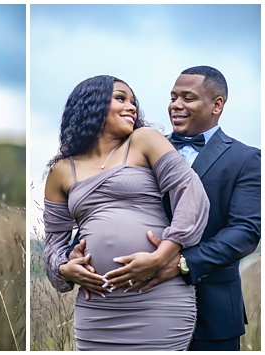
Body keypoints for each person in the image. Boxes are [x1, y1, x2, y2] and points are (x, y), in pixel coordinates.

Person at [83, 66, 260, 351]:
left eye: (188, 98)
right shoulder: (142, 148)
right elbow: (99, 208)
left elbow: (245, 232)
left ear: (217, 104)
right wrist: (71, 256)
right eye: (173, 97)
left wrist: (180, 263)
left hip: (213, 313)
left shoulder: (246, 158)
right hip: (137, 304)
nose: (176, 105)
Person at [41, 75, 210, 350]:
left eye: (133, 102)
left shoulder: (145, 141)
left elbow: (192, 196)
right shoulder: (61, 170)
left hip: (157, 297)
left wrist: (161, 256)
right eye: (120, 98)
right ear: (90, 105)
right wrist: (65, 268)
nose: (132, 107)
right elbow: (53, 243)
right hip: (97, 305)